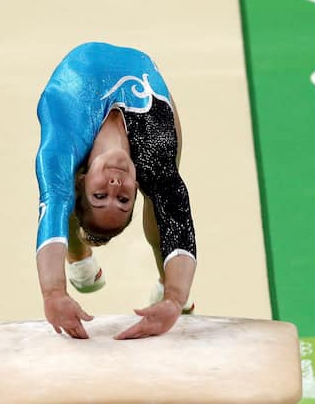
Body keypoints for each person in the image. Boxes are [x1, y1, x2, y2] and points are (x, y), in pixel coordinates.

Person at [35, 42, 197, 340]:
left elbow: (52, 206)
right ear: (134, 188)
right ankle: (167, 281)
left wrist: (53, 292)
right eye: (123, 199)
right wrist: (176, 297)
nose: (114, 187)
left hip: (77, 102)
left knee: (61, 189)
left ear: (86, 181)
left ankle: (79, 260)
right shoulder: (154, 147)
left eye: (100, 196)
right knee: (163, 187)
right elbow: (178, 219)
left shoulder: (63, 141)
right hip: (149, 111)